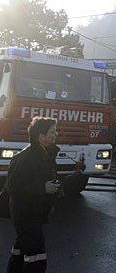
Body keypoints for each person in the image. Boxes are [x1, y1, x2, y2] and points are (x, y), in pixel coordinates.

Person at [5, 117, 61, 273]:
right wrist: (42, 187)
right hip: (25, 214)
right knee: (37, 256)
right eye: (52, 131)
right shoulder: (26, 157)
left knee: (21, 250)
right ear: (41, 136)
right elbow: (13, 186)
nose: (56, 134)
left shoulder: (45, 154)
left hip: (33, 213)